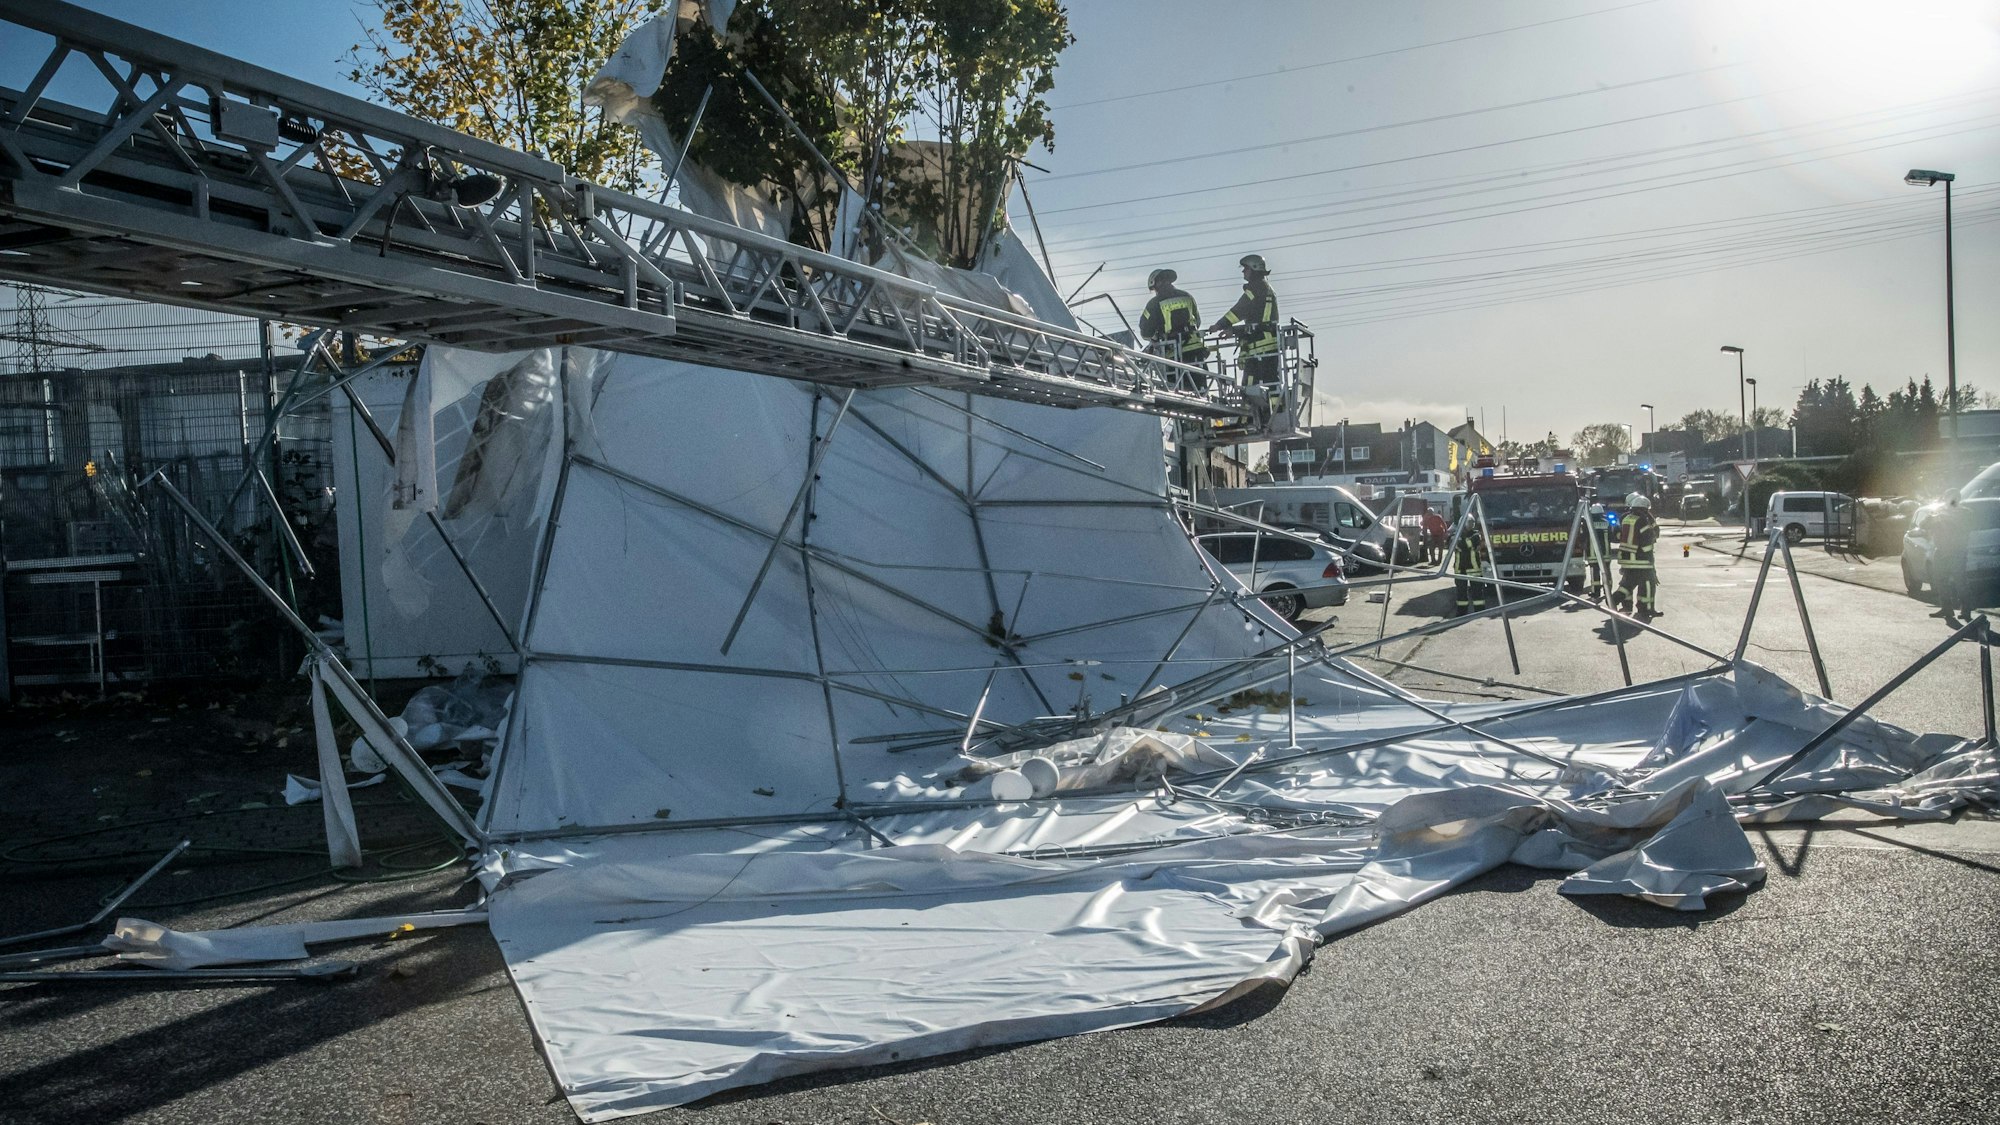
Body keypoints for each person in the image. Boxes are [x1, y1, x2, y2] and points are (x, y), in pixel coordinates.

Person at [1209, 253, 1280, 427]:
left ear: (1254, 269)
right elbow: (1255, 320)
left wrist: (1220, 324)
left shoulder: (1256, 289)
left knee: (1250, 385)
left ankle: (1253, 419)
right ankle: (1272, 415)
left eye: (1246, 269)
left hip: (1259, 349)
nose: (1243, 273)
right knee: (1270, 385)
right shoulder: (1264, 288)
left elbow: (1239, 310)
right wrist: (1233, 331)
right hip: (1264, 345)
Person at [1137, 268, 1207, 387]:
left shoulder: (1154, 303)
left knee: (1177, 388)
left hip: (1173, 353)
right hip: (1195, 349)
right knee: (1199, 388)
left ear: (1157, 283)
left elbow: (1145, 332)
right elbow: (1198, 321)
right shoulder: (1187, 296)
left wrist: (1156, 338)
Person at [1612, 491, 1661, 619]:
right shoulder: (1644, 520)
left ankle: (1619, 601)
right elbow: (1647, 541)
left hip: (1626, 558)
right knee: (1648, 584)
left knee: (1628, 583)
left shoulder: (1625, 518)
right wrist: (1649, 556)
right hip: (1641, 560)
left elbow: (1617, 535)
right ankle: (1645, 609)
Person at [1931, 488, 1970, 624]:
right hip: (1940, 550)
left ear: (1958, 499)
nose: (1950, 501)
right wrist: (1932, 518)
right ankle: (1946, 608)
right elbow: (1925, 525)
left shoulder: (1965, 512)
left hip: (1956, 552)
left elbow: (1965, 528)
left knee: (1960, 582)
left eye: (1953, 498)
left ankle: (1966, 610)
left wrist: (1947, 518)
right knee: (1940, 581)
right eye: (1948, 497)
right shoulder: (1939, 512)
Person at [1453, 522, 1490, 616]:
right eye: (1468, 523)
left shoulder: (1476, 535)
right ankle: (1461, 612)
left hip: (1474, 568)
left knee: (1477, 592)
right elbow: (1453, 544)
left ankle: (1480, 612)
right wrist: (1460, 542)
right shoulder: (1456, 535)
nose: (1470, 525)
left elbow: (1466, 545)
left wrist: (1461, 541)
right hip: (1459, 569)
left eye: (1471, 523)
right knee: (1461, 593)